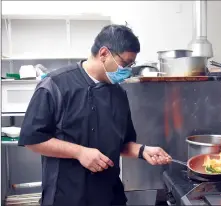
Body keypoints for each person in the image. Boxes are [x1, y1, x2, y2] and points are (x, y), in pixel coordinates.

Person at [18, 24, 172, 206]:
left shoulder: (119, 94)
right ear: (104, 53)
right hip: (66, 196)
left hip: (109, 195)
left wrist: (143, 150)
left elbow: (121, 144)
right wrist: (79, 152)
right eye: (125, 64)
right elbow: (33, 139)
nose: (128, 70)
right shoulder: (56, 85)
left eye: (132, 65)